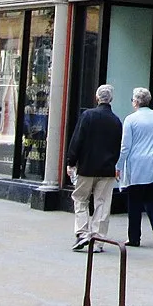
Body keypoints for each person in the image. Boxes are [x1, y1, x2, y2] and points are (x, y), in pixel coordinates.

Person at [65, 84, 122, 252]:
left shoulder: (87, 116)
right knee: (102, 204)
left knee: (81, 199)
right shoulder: (116, 121)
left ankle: (82, 233)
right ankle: (97, 241)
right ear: (110, 99)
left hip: (87, 167)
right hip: (107, 169)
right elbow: (118, 147)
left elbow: (77, 140)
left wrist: (71, 161)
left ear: (97, 98)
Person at [116, 87, 153, 247]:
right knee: (150, 196)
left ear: (136, 102)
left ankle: (134, 237)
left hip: (137, 163)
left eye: (133, 100)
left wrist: (118, 165)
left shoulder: (131, 119)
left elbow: (125, 146)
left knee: (135, 201)